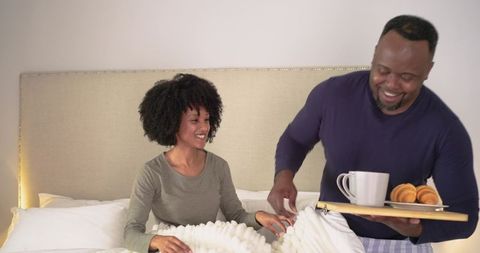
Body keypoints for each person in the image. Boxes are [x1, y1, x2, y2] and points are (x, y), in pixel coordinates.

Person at [268, 14, 478, 252]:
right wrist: (283, 177)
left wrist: (411, 228)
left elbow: (466, 217)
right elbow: (295, 138)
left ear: (428, 70)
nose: (391, 84)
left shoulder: (445, 129)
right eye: (383, 70)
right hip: (330, 232)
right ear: (375, 53)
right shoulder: (332, 95)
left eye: (406, 77)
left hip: (401, 242)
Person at [125, 73, 292, 253]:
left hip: (211, 244)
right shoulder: (152, 172)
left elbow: (236, 216)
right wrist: (157, 241)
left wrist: (259, 216)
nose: (204, 127)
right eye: (195, 120)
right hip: (176, 247)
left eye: (206, 119)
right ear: (172, 122)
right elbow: (131, 232)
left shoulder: (218, 167)